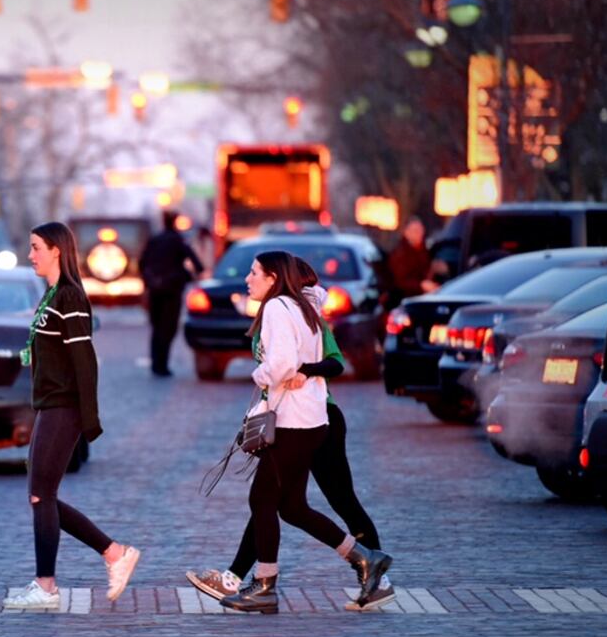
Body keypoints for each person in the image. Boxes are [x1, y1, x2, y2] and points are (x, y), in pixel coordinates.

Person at [187, 257, 394, 610]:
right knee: (291, 506)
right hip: (301, 417)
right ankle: (364, 560)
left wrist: (267, 375)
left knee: (276, 500)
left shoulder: (281, 309)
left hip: (300, 420)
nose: (247, 279)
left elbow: (295, 363)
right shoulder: (296, 309)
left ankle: (266, 586)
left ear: (274, 278)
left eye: (253, 273)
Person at [4, 221, 140, 611]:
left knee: (40, 494)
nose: (30, 256)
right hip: (50, 405)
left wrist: (88, 418)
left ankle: (46, 587)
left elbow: (85, 361)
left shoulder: (71, 297)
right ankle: (114, 554)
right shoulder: (51, 296)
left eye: (35, 248)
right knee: (41, 495)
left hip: (64, 408)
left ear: (56, 251)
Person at [137, 211, 204, 377]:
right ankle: (162, 365)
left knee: (157, 327)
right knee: (168, 328)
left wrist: (148, 282)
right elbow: (195, 261)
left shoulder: (154, 240)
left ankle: (156, 363)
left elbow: (142, 262)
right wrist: (195, 274)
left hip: (155, 289)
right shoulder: (177, 240)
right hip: (172, 290)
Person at [385, 216, 439, 306]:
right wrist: (421, 285)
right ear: (406, 232)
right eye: (415, 231)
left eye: (421, 230)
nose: (419, 233)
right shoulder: (400, 254)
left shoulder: (424, 250)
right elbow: (400, 282)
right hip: (406, 301)